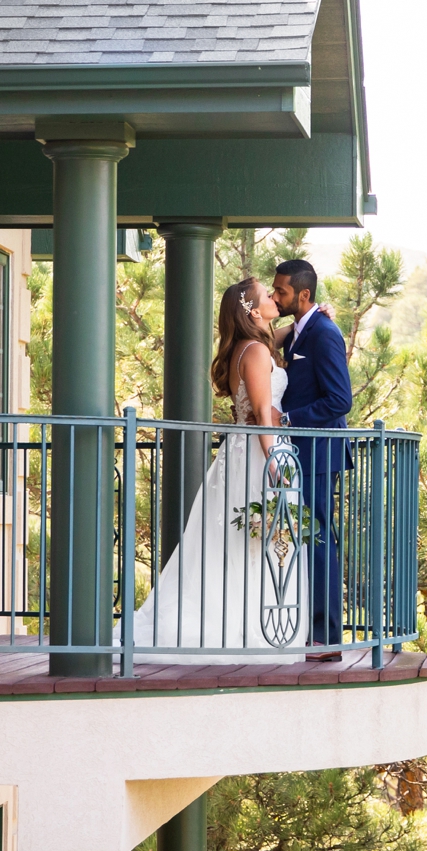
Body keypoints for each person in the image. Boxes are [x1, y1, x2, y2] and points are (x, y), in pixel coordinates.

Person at [133, 277, 308, 658]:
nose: (276, 300)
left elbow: (269, 340)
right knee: (259, 540)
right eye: (268, 296)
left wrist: (300, 323)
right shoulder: (257, 354)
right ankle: (248, 630)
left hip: (239, 453)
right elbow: (263, 414)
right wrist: (277, 466)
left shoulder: (245, 348)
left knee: (234, 542)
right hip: (261, 452)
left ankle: (238, 620)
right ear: (252, 310)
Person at [271, 258, 351, 658]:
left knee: (319, 539)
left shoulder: (324, 332)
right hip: (300, 453)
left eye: (281, 291)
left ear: (303, 294)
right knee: (307, 538)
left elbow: (340, 400)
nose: (275, 296)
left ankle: (326, 638)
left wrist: (286, 418)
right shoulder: (303, 329)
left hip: (319, 452)